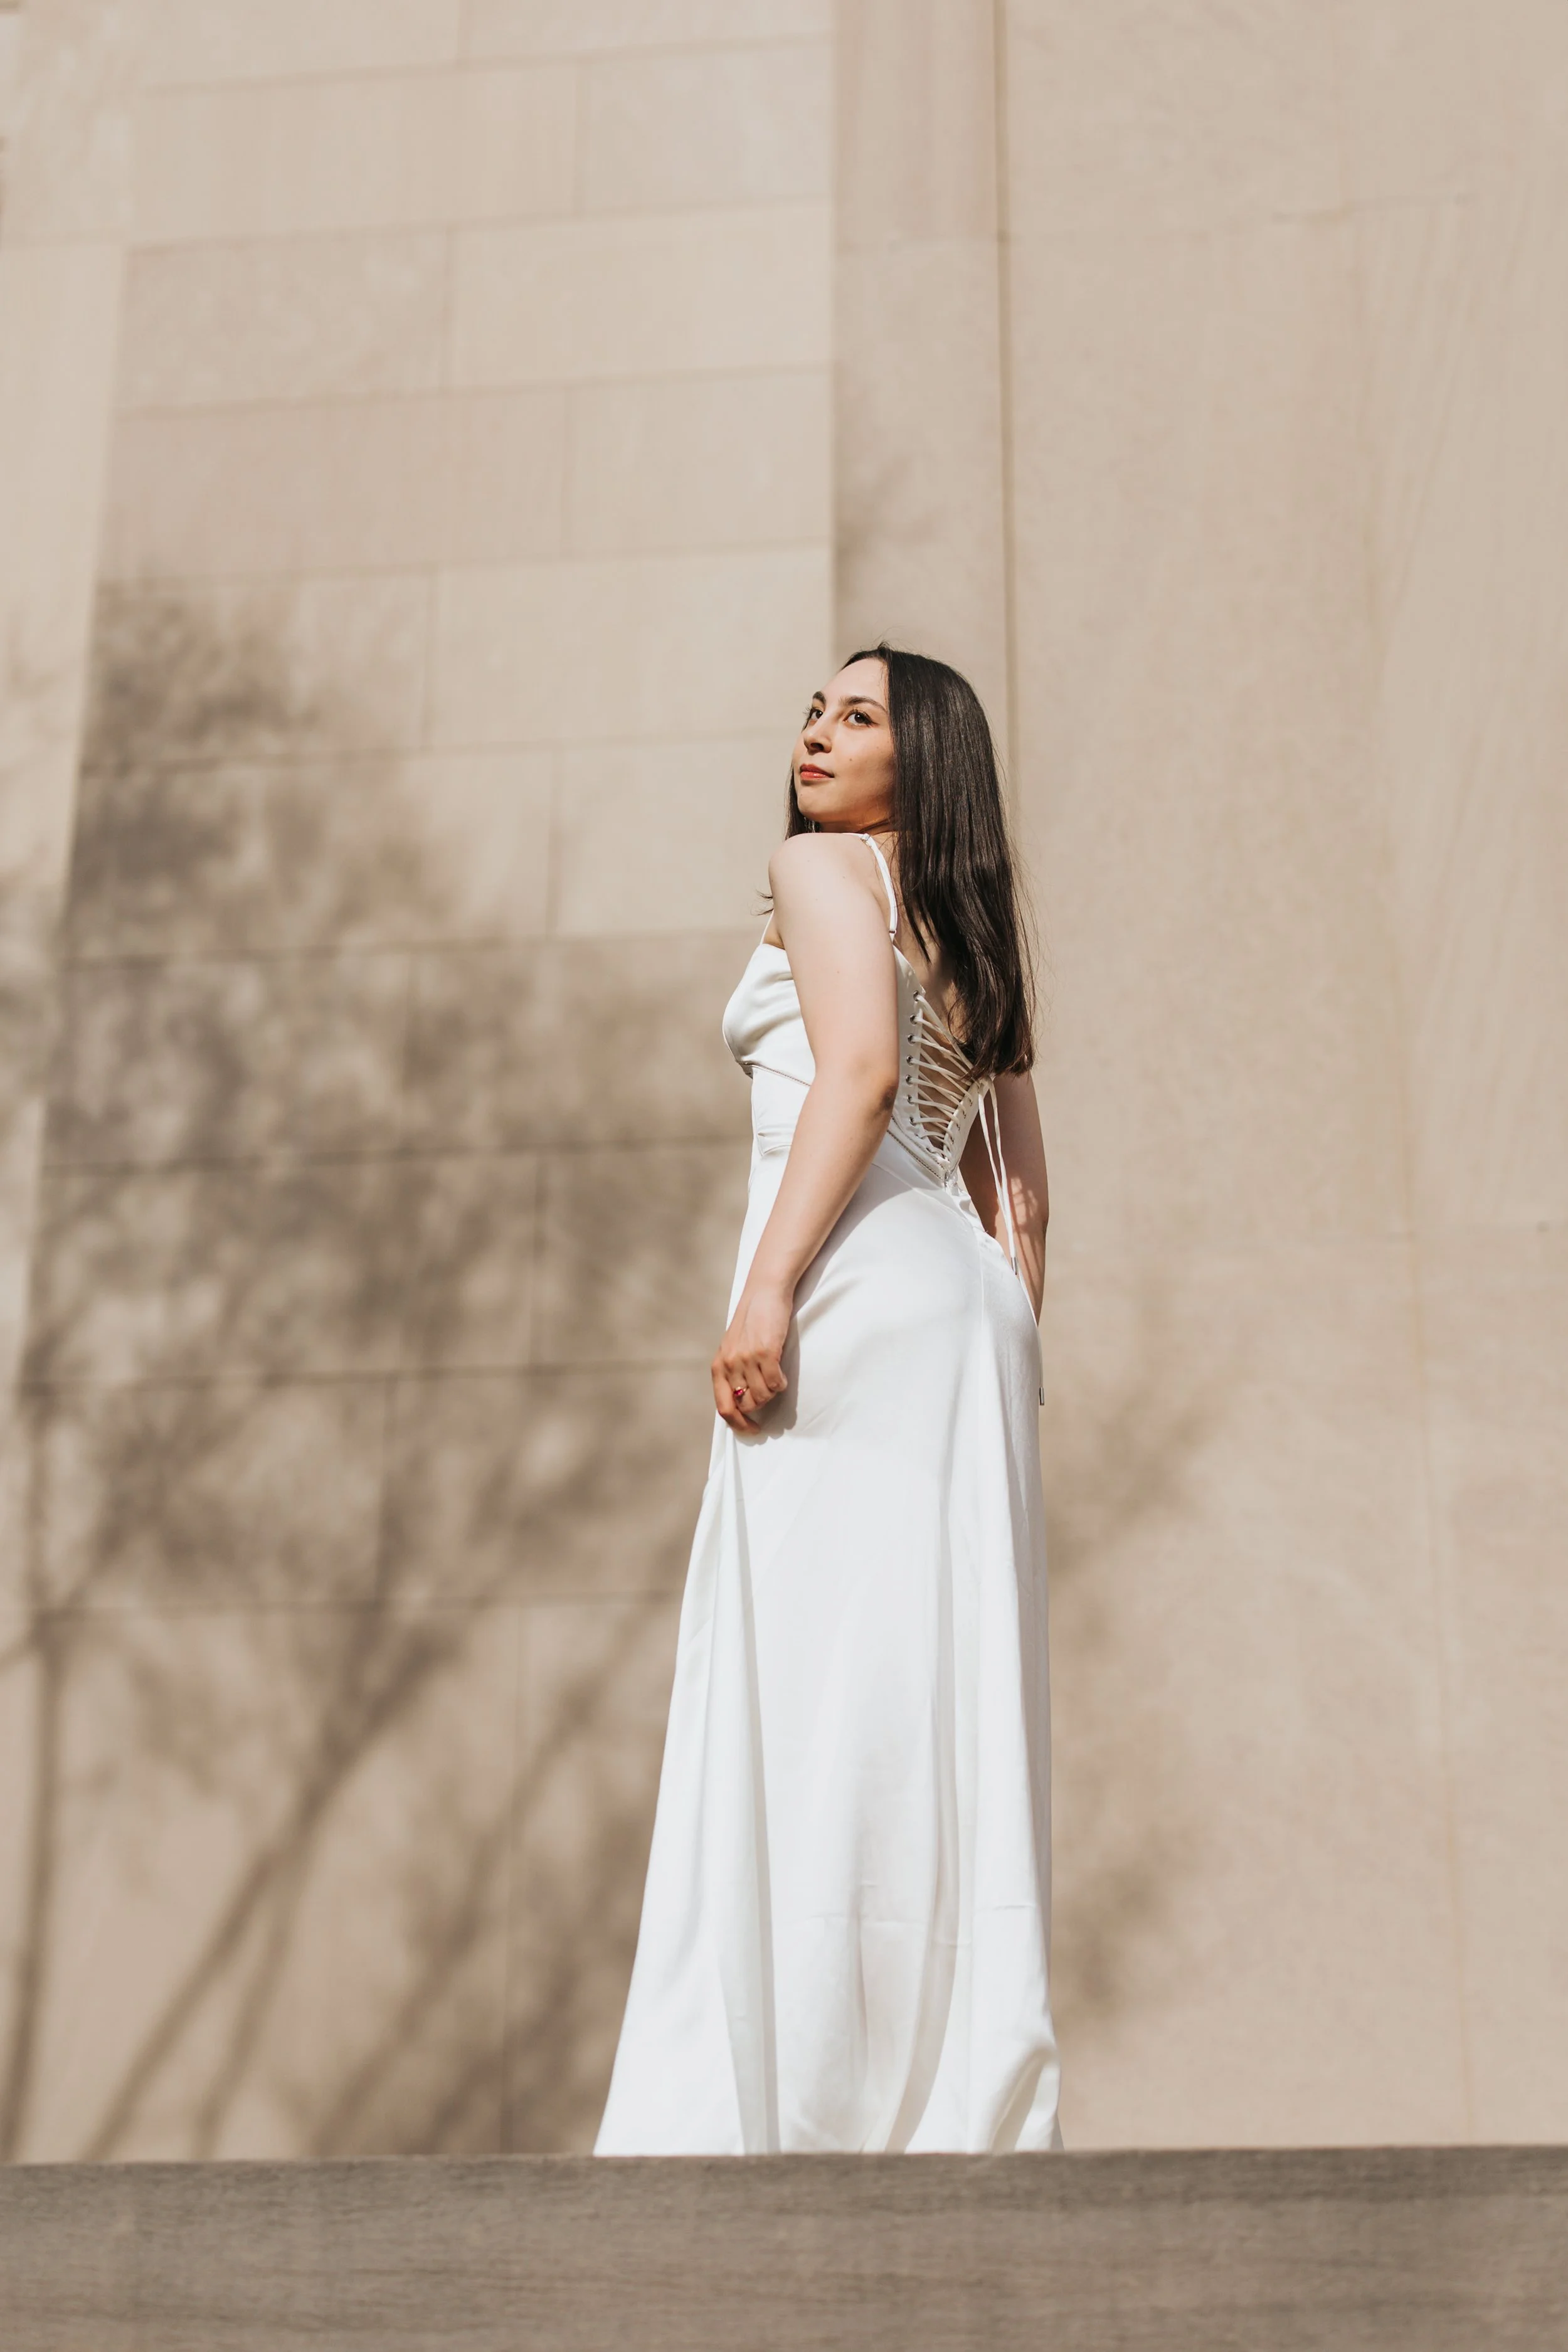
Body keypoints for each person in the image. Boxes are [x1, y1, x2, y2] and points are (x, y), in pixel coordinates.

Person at [595, 645, 1061, 2154]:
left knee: (811, 1699)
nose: (816, 731)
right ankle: (949, 2101)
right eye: (815, 708)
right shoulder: (966, 929)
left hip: (854, 1285)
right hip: (962, 1313)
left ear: (917, 763)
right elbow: (1025, 1203)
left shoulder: (821, 872)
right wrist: (994, 1346)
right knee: (936, 1701)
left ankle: (793, 2105)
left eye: (857, 717)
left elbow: (858, 1074)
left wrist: (768, 1287)